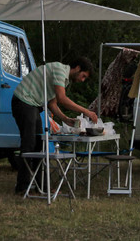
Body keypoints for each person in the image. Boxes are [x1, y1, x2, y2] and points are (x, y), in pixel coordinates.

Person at [11, 56, 98, 194]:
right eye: (83, 76)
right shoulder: (59, 70)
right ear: (77, 68)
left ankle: (41, 186)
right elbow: (62, 99)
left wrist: (65, 118)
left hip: (32, 105)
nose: (82, 80)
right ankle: (22, 186)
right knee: (29, 144)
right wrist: (86, 111)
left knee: (41, 144)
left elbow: (52, 102)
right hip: (23, 101)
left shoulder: (63, 78)